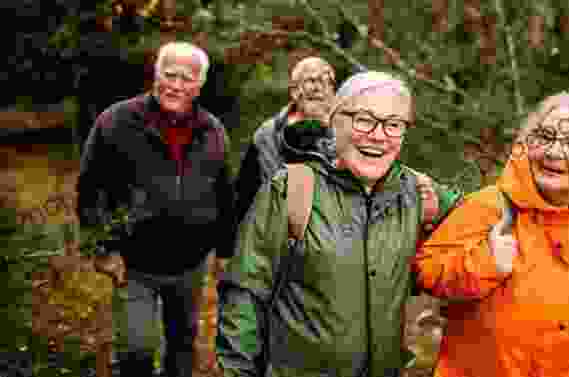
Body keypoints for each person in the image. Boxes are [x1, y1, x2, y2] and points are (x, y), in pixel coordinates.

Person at [216, 71, 463, 377]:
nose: (378, 134)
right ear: (335, 122)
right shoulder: (292, 188)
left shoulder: (417, 192)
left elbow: (484, 221)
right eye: (363, 119)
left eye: (394, 124)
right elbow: (246, 291)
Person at [412, 92, 569, 377]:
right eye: (544, 137)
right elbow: (427, 270)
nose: (553, 152)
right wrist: (484, 263)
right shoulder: (490, 205)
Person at [77, 41, 236, 377]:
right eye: (170, 74)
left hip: (190, 264)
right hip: (134, 263)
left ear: (200, 84)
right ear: (155, 74)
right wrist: (100, 247)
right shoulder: (116, 121)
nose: (176, 85)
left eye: (187, 78)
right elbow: (90, 189)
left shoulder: (213, 131)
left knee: (182, 345)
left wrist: (225, 251)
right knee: (136, 350)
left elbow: (224, 194)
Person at [233, 56, 337, 225]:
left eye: (326, 81)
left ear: (333, 91)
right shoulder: (268, 135)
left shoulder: (346, 134)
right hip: (275, 234)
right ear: (294, 91)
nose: (319, 88)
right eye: (311, 80)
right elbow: (245, 196)